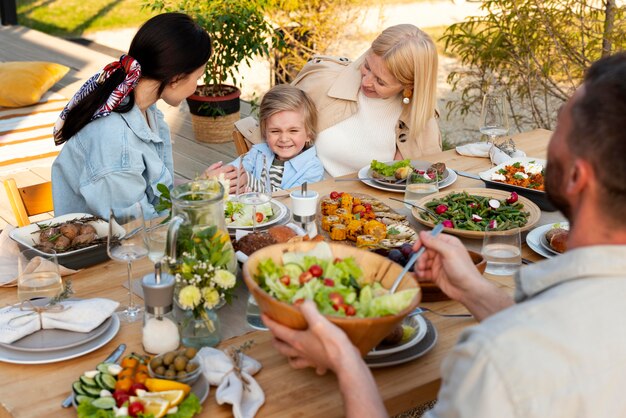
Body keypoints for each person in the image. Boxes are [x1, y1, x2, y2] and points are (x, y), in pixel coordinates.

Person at [263, 52, 626, 417]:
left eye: (558, 130)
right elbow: (553, 337)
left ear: (578, 178)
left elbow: (532, 345)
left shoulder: (496, 361)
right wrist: (473, 289)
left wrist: (344, 357)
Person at [51, 13, 211, 219]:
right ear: (176, 78)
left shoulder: (146, 111)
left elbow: (156, 193)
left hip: (141, 240)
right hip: (110, 248)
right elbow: (134, 230)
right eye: (198, 77)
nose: (196, 86)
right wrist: (199, 198)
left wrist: (200, 187)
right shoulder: (115, 141)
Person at [204, 84, 324, 193]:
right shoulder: (258, 153)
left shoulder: (313, 168)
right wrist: (217, 177)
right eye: (275, 131)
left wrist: (248, 181)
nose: (284, 138)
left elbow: (288, 199)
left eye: (293, 131)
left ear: (309, 134)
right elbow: (234, 171)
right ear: (265, 132)